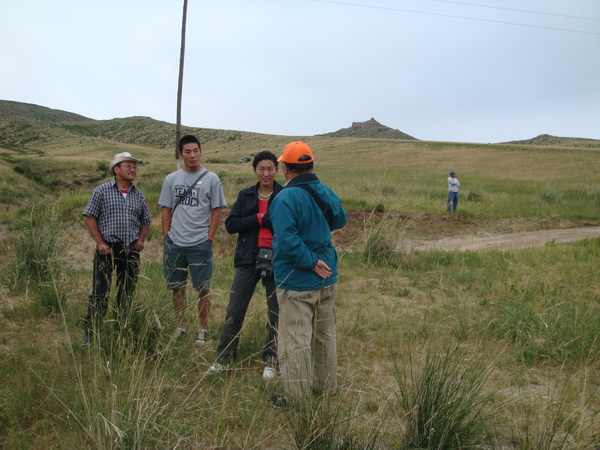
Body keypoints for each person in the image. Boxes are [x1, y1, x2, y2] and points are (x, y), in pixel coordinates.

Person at [269, 142, 347, 407]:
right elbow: (340, 219)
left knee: (295, 338)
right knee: (325, 333)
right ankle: (326, 388)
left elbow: (287, 240)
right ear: (311, 165)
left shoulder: (284, 198)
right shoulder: (324, 190)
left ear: (285, 168)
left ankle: (297, 398)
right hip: (328, 276)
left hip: (297, 280)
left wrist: (311, 261)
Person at [208, 151, 283, 380]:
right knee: (235, 308)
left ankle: (271, 360)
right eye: (261, 169)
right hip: (247, 259)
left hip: (278, 259)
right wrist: (259, 219)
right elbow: (231, 225)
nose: (266, 173)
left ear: (276, 170)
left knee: (277, 312)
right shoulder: (246, 195)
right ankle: (224, 357)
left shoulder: (285, 194)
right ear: (255, 171)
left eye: (270, 168)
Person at [158, 135, 227, 345]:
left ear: (201, 151)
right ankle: (180, 326)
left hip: (200, 242)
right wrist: (167, 235)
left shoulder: (211, 178)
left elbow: (217, 210)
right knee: (177, 286)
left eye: (196, 150)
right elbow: (166, 209)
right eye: (187, 151)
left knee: (203, 287)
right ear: (180, 154)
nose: (192, 155)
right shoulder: (171, 179)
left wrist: (210, 237)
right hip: (175, 242)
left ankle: (202, 329)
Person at [80, 152, 152, 346]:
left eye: (134, 166)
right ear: (116, 169)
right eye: (128, 166)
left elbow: (146, 221)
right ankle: (91, 332)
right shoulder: (102, 191)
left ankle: (121, 330)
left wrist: (141, 240)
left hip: (130, 251)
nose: (133, 169)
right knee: (100, 292)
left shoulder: (138, 194)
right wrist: (100, 242)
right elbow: (89, 216)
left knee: (126, 292)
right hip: (107, 249)